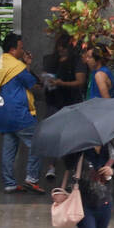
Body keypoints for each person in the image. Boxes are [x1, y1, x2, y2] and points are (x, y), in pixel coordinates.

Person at [0, 32, 44, 194]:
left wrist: (26, 64)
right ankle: (31, 178)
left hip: (3, 113)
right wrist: (27, 66)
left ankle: (9, 183)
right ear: (13, 49)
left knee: (9, 149)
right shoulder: (17, 67)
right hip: (19, 113)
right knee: (38, 141)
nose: (23, 51)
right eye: (21, 48)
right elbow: (32, 85)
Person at [40, 35, 86, 181]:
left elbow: (80, 81)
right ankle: (52, 166)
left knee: (71, 137)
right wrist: (48, 81)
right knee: (53, 135)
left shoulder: (77, 61)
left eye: (64, 47)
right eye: (59, 47)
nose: (60, 49)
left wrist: (61, 83)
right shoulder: (51, 60)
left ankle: (71, 168)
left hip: (71, 102)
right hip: (53, 101)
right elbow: (44, 78)